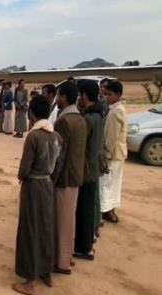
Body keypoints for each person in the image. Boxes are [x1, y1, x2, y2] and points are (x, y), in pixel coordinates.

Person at [13, 95, 62, 295]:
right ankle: (45, 272)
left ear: (31, 113)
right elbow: (58, 166)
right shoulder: (56, 136)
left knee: (30, 229)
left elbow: (25, 168)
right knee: (46, 228)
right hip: (48, 185)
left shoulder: (34, 137)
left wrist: (21, 177)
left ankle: (30, 280)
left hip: (33, 185)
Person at [53, 81, 87, 274]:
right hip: (75, 176)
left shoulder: (64, 121)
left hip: (64, 178)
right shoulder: (79, 118)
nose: (57, 100)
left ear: (64, 97)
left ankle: (62, 262)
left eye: (58, 96)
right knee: (69, 220)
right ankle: (68, 255)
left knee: (62, 222)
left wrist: (52, 179)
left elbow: (60, 155)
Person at [74, 80, 104, 260]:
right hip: (93, 168)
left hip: (85, 169)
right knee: (89, 206)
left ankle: (83, 248)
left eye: (80, 95)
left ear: (84, 96)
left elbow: (80, 146)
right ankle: (88, 242)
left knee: (84, 209)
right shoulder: (99, 115)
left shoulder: (88, 119)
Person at [100, 80, 127, 223]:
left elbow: (111, 138)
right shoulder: (116, 109)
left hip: (113, 155)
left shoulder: (116, 112)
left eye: (109, 94)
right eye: (105, 94)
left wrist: (105, 155)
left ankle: (107, 211)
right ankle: (108, 210)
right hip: (116, 154)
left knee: (108, 184)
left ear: (118, 94)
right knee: (111, 184)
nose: (107, 97)